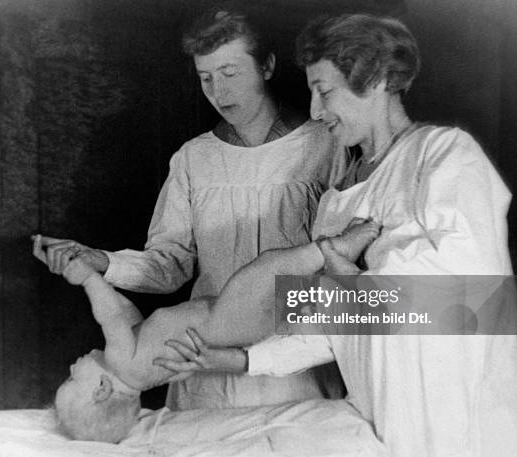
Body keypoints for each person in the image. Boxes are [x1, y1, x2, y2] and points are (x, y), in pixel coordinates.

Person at [156, 14, 517, 456]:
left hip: (459, 414)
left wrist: (341, 270)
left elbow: (469, 300)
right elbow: (331, 324)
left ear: (379, 82)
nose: (314, 111)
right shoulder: (337, 201)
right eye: (311, 91)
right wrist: (238, 359)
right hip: (376, 413)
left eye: (325, 91)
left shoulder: (444, 155)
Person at [34, 7, 340, 410]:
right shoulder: (193, 159)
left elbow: (345, 271)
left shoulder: (325, 145)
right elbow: (169, 265)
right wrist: (101, 262)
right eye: (206, 78)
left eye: (230, 73)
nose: (219, 91)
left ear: (266, 66)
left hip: (293, 367)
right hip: (200, 362)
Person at [45, 221, 380, 442]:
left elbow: (124, 313)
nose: (71, 369)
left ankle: (340, 271)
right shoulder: (121, 361)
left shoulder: (135, 368)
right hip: (226, 318)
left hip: (234, 327)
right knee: (269, 268)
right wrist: (90, 279)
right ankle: (335, 249)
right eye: (71, 379)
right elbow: (111, 318)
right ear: (102, 390)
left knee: (292, 292)